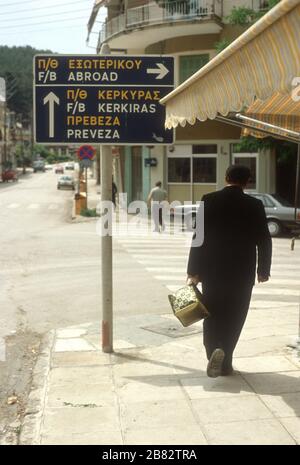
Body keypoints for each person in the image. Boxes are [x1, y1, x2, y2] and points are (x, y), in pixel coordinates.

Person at [187, 165, 272, 378]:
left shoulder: (209, 199)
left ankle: (213, 352)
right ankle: (225, 358)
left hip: (213, 271)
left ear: (226, 177)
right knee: (235, 316)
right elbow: (264, 239)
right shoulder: (255, 204)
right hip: (242, 272)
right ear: (247, 182)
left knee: (212, 314)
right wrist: (263, 269)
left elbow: (199, 236)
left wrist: (193, 270)